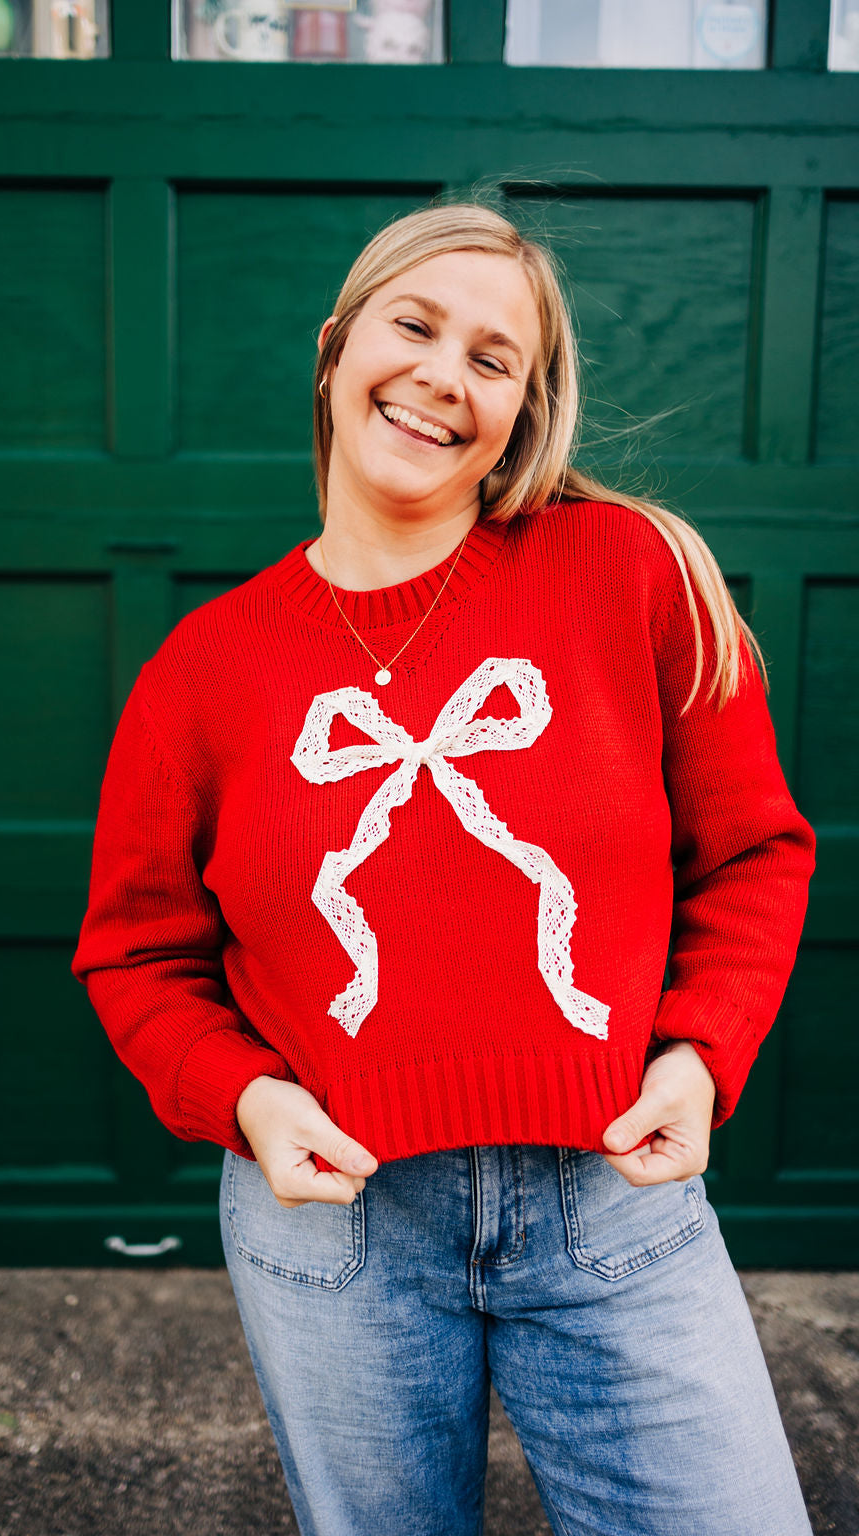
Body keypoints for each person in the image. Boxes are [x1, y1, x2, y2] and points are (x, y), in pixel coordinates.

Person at [71, 201, 817, 1536]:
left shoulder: (632, 572)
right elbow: (136, 953)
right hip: (336, 1227)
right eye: (413, 326)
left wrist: (701, 1056)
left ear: (525, 410)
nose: (440, 374)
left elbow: (757, 851)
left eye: (492, 358)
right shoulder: (204, 672)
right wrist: (245, 1100)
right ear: (334, 348)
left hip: (613, 1199)